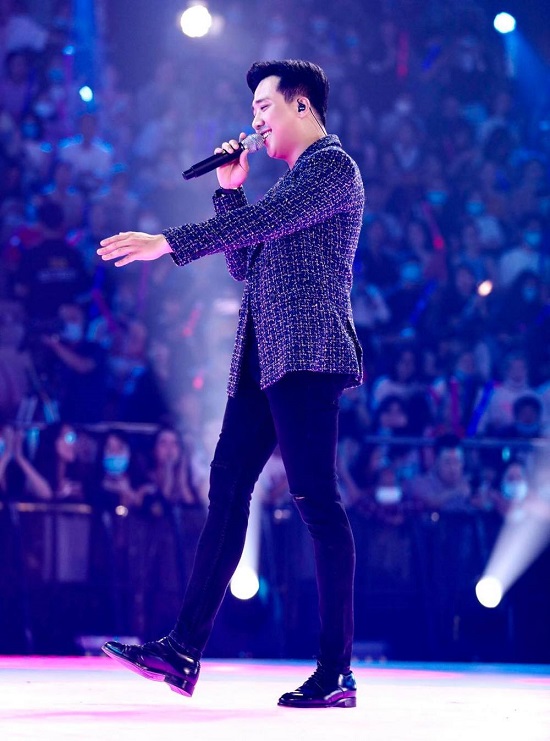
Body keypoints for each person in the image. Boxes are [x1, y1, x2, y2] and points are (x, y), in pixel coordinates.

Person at [98, 59, 363, 709]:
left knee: (316, 500)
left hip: (307, 354)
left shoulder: (332, 168)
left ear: (302, 106)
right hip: (263, 357)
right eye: (253, 111)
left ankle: (337, 671)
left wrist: (167, 241)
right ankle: (182, 648)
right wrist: (228, 189)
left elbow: (255, 231)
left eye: (265, 107)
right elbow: (247, 262)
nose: (256, 121)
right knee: (226, 491)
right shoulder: (291, 184)